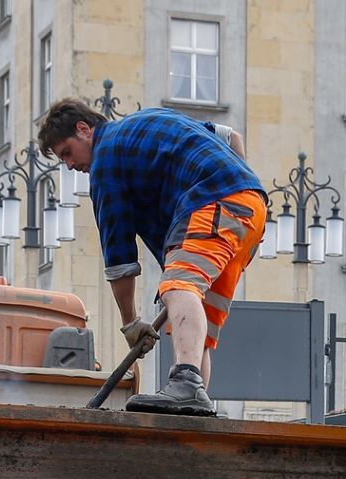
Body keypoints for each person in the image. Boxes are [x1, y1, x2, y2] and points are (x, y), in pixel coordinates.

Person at [39, 100, 267, 417]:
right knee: (195, 324)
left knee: (177, 286)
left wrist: (131, 323)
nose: (69, 165)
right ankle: (193, 408)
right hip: (249, 209)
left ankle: (186, 383)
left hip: (215, 203)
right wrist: (240, 187)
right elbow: (231, 137)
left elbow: (120, 261)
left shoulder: (106, 164)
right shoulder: (150, 119)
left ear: (84, 129)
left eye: (67, 152)